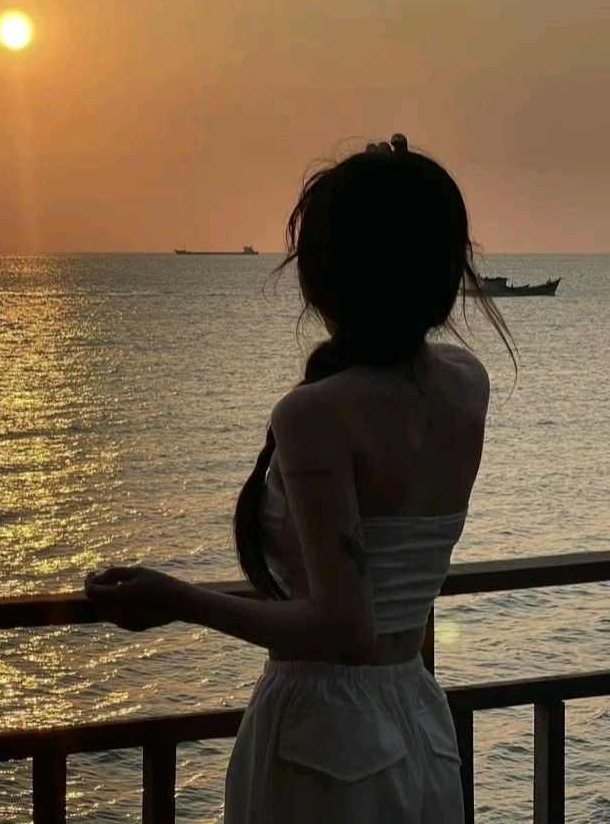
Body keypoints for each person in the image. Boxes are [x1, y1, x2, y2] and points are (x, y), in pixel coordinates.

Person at [85, 134, 516, 823]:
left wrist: (177, 598)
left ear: (326, 274)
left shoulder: (316, 414)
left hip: (325, 733)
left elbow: (344, 626)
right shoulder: (468, 382)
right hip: (419, 718)